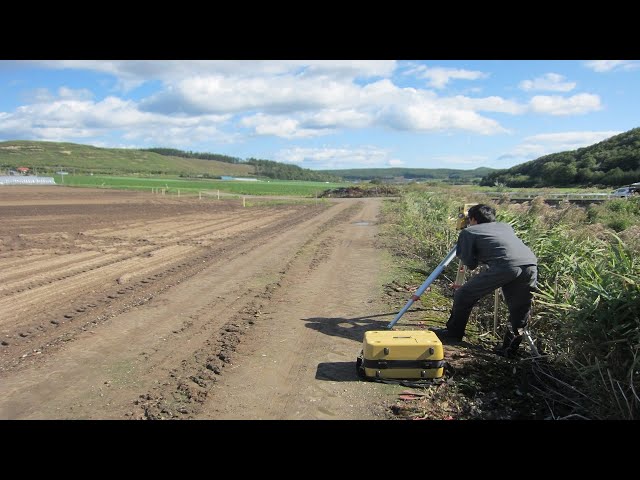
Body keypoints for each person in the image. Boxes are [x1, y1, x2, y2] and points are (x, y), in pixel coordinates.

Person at [430, 204, 538, 358]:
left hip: (505, 266)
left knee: (463, 294)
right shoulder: (505, 227)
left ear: (472, 219)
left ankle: (453, 333)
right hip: (530, 264)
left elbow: (470, 263)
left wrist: (469, 247)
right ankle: (509, 349)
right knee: (519, 311)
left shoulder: (469, 232)